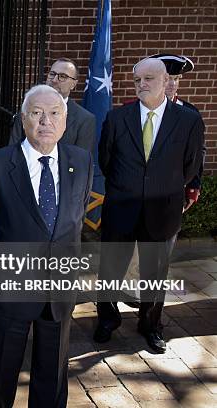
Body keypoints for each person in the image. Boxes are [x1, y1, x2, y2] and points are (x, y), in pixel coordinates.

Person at [0, 84, 93, 408]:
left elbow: (75, 218)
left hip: (58, 289)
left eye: (54, 114)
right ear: (23, 120)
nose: (46, 122)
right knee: (2, 368)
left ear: (65, 120)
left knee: (52, 373)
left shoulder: (81, 161)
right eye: (36, 113)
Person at [94, 58, 205, 353]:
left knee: (155, 271)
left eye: (149, 79)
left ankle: (150, 324)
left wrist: (162, 186)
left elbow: (192, 165)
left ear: (165, 80)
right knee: (111, 267)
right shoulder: (117, 118)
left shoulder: (189, 120)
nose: (142, 84)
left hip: (163, 209)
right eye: (137, 80)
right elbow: (106, 160)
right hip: (121, 207)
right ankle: (107, 318)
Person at [150, 53, 204, 211]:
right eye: (168, 78)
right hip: (140, 190)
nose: (173, 84)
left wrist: (193, 187)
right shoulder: (139, 110)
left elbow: (198, 153)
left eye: (177, 78)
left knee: (168, 234)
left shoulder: (190, 114)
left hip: (174, 191)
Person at [9, 58, 96, 153]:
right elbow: (13, 152)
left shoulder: (84, 119)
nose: (54, 80)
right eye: (52, 74)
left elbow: (81, 161)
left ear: (73, 84)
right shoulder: (27, 110)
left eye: (62, 76)